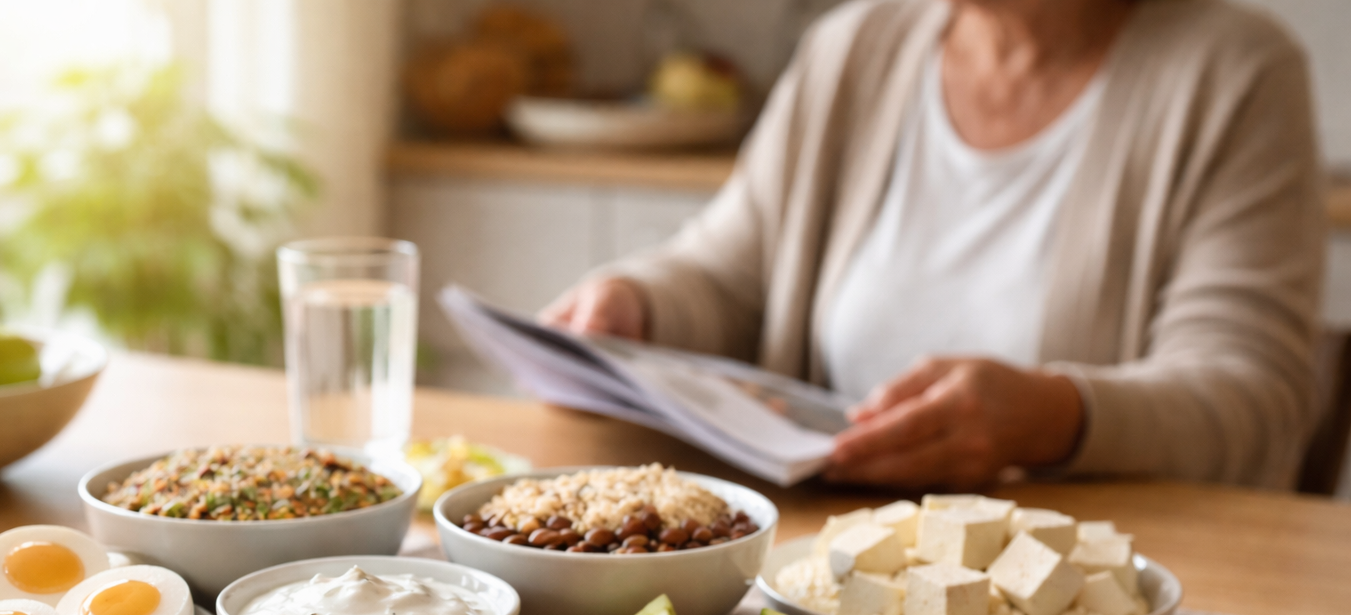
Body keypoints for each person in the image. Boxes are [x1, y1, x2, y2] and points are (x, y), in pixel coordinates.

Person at [541, 0, 1325, 490]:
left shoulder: (1235, 70)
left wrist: (1055, 418)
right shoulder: (853, 44)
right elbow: (728, 268)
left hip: (1091, 596)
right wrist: (636, 300)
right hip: (834, 565)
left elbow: (1251, 395)